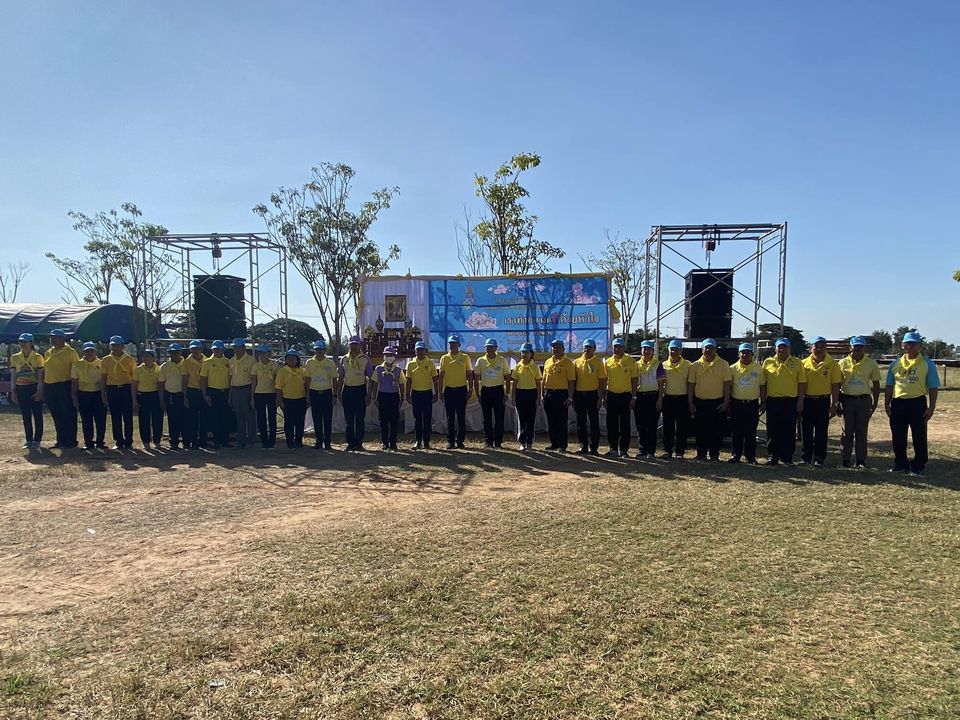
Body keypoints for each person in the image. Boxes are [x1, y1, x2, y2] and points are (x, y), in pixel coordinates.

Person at [885, 331, 939, 476]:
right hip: (898, 403)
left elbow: (933, 387)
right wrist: (886, 403)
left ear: (920, 346)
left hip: (917, 403)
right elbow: (889, 385)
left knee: (919, 436)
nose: (910, 346)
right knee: (898, 436)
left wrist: (931, 407)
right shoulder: (895, 364)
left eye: (914, 344)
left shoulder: (927, 364)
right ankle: (900, 464)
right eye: (907, 343)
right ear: (902, 345)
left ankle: (918, 466)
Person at [837, 336, 881, 468]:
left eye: (860, 346)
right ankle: (845, 459)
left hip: (863, 400)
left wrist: (875, 403)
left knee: (861, 431)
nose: (857, 349)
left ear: (864, 348)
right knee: (847, 431)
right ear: (850, 347)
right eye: (855, 346)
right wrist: (837, 402)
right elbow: (837, 384)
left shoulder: (871, 363)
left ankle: (861, 460)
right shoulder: (842, 363)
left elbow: (876, 384)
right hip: (847, 399)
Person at [761, 337, 807, 465]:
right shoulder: (768, 362)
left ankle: (787, 457)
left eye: (784, 347)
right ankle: (772, 456)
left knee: (789, 430)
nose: (782, 349)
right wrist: (763, 401)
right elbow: (763, 383)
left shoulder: (797, 363)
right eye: (779, 347)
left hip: (790, 401)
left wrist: (800, 401)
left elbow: (802, 383)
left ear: (789, 348)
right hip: (773, 401)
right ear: (775, 349)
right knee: (772, 430)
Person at [687, 338, 731, 462]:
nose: (708, 350)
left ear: (716, 349)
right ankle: (701, 454)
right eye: (706, 347)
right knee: (700, 430)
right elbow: (691, 385)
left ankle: (714, 455)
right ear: (702, 349)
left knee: (716, 431)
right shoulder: (695, 365)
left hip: (717, 402)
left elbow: (727, 385)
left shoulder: (724, 364)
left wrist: (726, 402)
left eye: (711, 348)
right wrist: (690, 403)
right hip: (700, 402)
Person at [800, 335, 842, 466]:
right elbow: (801, 384)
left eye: (822, 346)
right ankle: (806, 457)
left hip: (823, 401)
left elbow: (835, 385)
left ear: (826, 348)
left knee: (821, 431)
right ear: (811, 348)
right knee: (806, 431)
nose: (819, 349)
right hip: (807, 400)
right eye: (816, 346)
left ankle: (819, 458)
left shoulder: (833, 364)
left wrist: (834, 404)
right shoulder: (803, 363)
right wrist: (800, 401)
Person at [728, 342, 765, 464]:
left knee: (751, 432)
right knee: (736, 431)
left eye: (747, 353)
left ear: (752, 354)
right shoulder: (732, 368)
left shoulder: (759, 368)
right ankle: (735, 455)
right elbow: (729, 387)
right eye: (742, 352)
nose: (745, 355)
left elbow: (762, 386)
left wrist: (763, 401)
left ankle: (751, 457)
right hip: (736, 403)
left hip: (752, 404)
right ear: (738, 354)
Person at [44, 329, 80, 449]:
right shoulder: (48, 352)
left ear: (63, 339)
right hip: (50, 385)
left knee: (68, 413)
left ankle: (71, 441)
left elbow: (76, 368)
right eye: (51, 337)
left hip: (64, 385)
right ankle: (61, 440)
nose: (52, 340)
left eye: (55, 337)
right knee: (56, 414)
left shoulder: (70, 352)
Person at [604, 337, 637, 458]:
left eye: (619, 347)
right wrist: (603, 397)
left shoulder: (630, 361)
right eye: (615, 347)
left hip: (625, 396)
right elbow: (605, 380)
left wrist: (634, 397)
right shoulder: (607, 362)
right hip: (611, 395)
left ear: (624, 348)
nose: (617, 349)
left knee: (625, 424)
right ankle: (613, 449)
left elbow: (634, 380)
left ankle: (624, 450)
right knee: (611, 424)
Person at [100, 335, 136, 450]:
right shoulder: (106, 360)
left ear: (122, 346)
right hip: (112, 389)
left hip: (126, 388)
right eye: (113, 345)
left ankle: (129, 441)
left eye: (117, 345)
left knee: (128, 416)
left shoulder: (130, 359)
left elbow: (134, 377)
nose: (115, 348)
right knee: (115, 416)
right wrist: (103, 393)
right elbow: (103, 377)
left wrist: (134, 393)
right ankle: (119, 441)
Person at [474, 338, 510, 448]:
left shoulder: (502, 360)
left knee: (499, 418)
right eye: (487, 347)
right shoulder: (480, 360)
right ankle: (488, 441)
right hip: (485, 391)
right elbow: (476, 378)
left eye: (491, 347)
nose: (489, 349)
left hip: (498, 391)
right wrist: (477, 395)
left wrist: (506, 394)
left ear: (496, 348)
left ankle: (498, 442)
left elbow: (507, 377)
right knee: (486, 418)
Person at [11, 333, 45, 450]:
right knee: (26, 416)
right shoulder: (15, 357)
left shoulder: (38, 357)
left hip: (33, 387)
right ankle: (29, 440)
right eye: (20, 341)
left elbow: (40, 376)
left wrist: (39, 391)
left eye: (25, 342)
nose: (22, 344)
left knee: (37, 415)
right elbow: (13, 375)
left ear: (31, 343)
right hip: (21, 388)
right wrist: (13, 391)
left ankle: (37, 440)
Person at [542, 339, 576, 452]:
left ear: (563, 349)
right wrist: (542, 394)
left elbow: (571, 381)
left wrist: (570, 397)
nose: (555, 349)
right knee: (551, 420)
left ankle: (562, 445)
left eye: (558, 347)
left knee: (561, 420)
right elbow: (544, 379)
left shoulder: (568, 362)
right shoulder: (548, 361)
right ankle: (554, 443)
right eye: (554, 347)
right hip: (549, 393)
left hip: (561, 394)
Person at [573, 338, 607, 455]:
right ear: (582, 348)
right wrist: (573, 397)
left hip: (593, 395)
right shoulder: (576, 362)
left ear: (594, 349)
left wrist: (600, 398)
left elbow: (602, 382)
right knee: (580, 423)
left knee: (594, 422)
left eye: (589, 347)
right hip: (579, 395)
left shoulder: (598, 362)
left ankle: (594, 448)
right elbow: (573, 381)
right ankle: (583, 446)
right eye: (585, 347)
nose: (587, 349)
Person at [439, 334, 473, 449]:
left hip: (461, 390)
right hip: (449, 390)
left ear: (459, 344)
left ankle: (460, 441)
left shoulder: (465, 357)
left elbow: (469, 374)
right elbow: (441, 376)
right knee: (450, 417)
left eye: (454, 343)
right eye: (451, 343)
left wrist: (470, 389)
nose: (452, 345)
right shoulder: (444, 358)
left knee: (461, 417)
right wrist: (440, 391)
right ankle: (451, 441)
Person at [340, 335, 373, 451]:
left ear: (360, 345)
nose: (353, 346)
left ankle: (359, 443)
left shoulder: (365, 359)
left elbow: (371, 377)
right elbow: (341, 377)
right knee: (349, 419)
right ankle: (350, 443)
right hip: (348, 390)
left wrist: (369, 394)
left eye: (356, 344)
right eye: (351, 344)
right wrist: (338, 392)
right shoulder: (344, 359)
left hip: (360, 390)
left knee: (359, 418)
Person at [305, 339, 339, 450]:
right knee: (316, 418)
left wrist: (335, 395)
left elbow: (334, 380)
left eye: (321, 349)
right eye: (317, 349)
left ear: (325, 350)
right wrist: (307, 395)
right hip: (314, 392)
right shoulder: (309, 362)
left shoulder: (330, 363)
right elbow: (308, 379)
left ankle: (327, 442)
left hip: (326, 393)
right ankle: (318, 441)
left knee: (327, 418)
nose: (319, 351)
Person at [71, 341, 106, 450]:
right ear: (83, 352)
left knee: (100, 420)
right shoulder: (77, 364)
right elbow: (74, 382)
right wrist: (74, 397)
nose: (90, 353)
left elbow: (105, 379)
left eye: (92, 351)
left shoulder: (102, 363)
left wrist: (104, 395)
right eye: (87, 351)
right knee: (86, 420)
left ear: (95, 351)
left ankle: (100, 442)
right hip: (84, 394)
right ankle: (88, 442)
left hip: (98, 394)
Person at [634, 340, 666, 458]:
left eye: (649, 349)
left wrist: (660, 399)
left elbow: (661, 384)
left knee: (652, 425)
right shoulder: (636, 364)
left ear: (652, 351)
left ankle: (651, 451)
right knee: (640, 425)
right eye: (644, 349)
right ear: (641, 350)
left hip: (653, 397)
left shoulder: (658, 364)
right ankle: (642, 450)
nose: (646, 351)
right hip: (640, 397)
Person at [660, 339, 691, 459]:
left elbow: (690, 384)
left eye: (676, 349)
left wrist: (690, 401)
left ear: (681, 351)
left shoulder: (688, 365)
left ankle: (680, 452)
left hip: (683, 399)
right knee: (668, 426)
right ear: (668, 350)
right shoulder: (663, 365)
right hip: (668, 399)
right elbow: (661, 383)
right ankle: (668, 450)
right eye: (672, 349)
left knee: (682, 427)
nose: (674, 352)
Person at [370, 346, 405, 450]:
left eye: (391, 355)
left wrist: (402, 397)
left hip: (394, 396)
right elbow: (375, 383)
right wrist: (374, 397)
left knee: (394, 421)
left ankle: (393, 442)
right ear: (384, 356)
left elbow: (402, 384)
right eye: (387, 355)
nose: (389, 357)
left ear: (394, 357)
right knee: (383, 421)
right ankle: (385, 442)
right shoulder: (378, 369)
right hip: (383, 396)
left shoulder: (398, 370)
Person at [405, 341, 439, 449]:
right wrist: (407, 394)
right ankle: (418, 441)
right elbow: (409, 380)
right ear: (415, 351)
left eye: (421, 350)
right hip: (416, 393)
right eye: (418, 350)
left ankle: (427, 441)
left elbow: (435, 379)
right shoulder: (411, 364)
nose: (420, 352)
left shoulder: (430, 363)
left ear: (425, 351)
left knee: (427, 418)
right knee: (417, 419)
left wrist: (436, 393)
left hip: (427, 393)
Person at [200, 340, 231, 449]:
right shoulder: (207, 362)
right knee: (214, 418)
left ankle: (225, 441)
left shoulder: (228, 362)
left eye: (219, 349)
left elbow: (231, 378)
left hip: (225, 392)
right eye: (215, 349)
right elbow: (203, 379)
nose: (217, 351)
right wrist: (205, 394)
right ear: (212, 350)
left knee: (225, 417)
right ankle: (216, 441)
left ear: (223, 350)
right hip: (213, 392)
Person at [511, 342, 542, 451]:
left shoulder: (535, 367)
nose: (524, 354)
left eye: (526, 352)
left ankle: (529, 442)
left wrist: (539, 397)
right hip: (520, 393)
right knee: (521, 419)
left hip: (532, 394)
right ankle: (522, 442)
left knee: (531, 419)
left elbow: (538, 383)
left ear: (531, 354)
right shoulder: (517, 366)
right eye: (522, 352)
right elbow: (514, 383)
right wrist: (513, 397)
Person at [275, 348, 307, 448]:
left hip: (301, 399)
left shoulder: (303, 371)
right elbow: (278, 388)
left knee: (300, 422)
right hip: (287, 400)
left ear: (297, 359)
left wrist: (308, 399)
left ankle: (298, 442)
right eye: (289, 358)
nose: (291, 360)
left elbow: (306, 385)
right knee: (289, 422)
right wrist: (280, 401)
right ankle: (289, 442)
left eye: (293, 358)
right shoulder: (282, 371)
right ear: (285, 359)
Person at [228, 338, 257, 448]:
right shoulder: (231, 360)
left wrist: (252, 395)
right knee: (239, 416)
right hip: (235, 390)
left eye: (238, 347)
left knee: (249, 415)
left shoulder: (251, 360)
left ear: (244, 347)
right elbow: (230, 377)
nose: (236, 349)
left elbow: (253, 379)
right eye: (234, 347)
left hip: (246, 389)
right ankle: (241, 440)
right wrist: (230, 393)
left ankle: (251, 440)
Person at [132, 348, 163, 449]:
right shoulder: (138, 369)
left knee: (157, 420)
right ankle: (146, 442)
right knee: (144, 420)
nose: (145, 358)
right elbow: (134, 386)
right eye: (144, 356)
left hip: (155, 396)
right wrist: (134, 401)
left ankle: (157, 441)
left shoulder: (159, 369)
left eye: (148, 356)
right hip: (142, 396)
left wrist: (161, 400)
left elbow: (160, 386)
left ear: (153, 358)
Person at [157, 343, 185, 449]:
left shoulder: (186, 364)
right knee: (172, 419)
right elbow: (161, 384)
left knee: (185, 419)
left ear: (180, 352)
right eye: (172, 352)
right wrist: (162, 400)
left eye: (176, 352)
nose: (174, 354)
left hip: (183, 395)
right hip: (170, 395)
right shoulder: (165, 366)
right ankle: (174, 441)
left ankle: (186, 441)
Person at [252, 344, 279, 449]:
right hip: (259, 394)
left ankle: (272, 441)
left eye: (264, 353)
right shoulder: (255, 366)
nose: (262, 355)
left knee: (272, 418)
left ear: (269, 354)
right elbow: (254, 382)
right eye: (260, 353)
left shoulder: (275, 366)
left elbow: (278, 382)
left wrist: (278, 397)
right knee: (261, 418)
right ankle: (264, 442)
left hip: (271, 394)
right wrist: (252, 396)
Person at [181, 340, 207, 449]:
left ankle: (203, 441)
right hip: (192, 391)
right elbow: (184, 379)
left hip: (204, 391)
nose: (195, 350)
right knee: (192, 418)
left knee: (204, 417)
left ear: (201, 349)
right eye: (193, 348)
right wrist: (185, 396)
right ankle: (193, 441)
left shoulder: (207, 360)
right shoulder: (186, 362)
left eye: (197, 348)